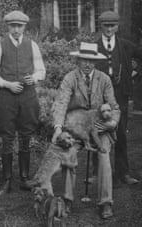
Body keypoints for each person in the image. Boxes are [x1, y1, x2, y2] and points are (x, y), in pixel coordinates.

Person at [51, 42, 120, 219]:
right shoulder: (70, 79)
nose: (87, 64)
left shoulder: (104, 79)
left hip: (99, 129)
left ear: (95, 62)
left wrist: (112, 123)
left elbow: (114, 106)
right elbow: (61, 103)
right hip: (76, 128)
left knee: (104, 158)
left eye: (91, 60)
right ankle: (67, 200)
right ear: (78, 60)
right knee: (69, 154)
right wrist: (58, 128)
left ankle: (106, 203)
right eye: (84, 60)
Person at [0, 10, 46, 194]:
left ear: (25, 27)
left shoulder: (32, 45)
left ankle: (25, 178)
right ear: (8, 27)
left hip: (27, 97)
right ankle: (7, 181)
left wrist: (33, 78)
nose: (16, 29)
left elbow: (41, 70)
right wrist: (7, 84)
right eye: (13, 26)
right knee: (7, 138)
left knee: (26, 136)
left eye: (20, 26)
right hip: (6, 98)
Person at [92, 10, 142, 185]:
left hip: (120, 95)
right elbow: (84, 68)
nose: (109, 29)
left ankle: (123, 173)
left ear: (117, 27)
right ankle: (98, 173)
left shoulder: (125, 45)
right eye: (106, 26)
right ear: (101, 26)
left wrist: (133, 72)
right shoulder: (93, 47)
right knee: (98, 131)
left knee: (120, 133)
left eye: (112, 26)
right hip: (99, 97)